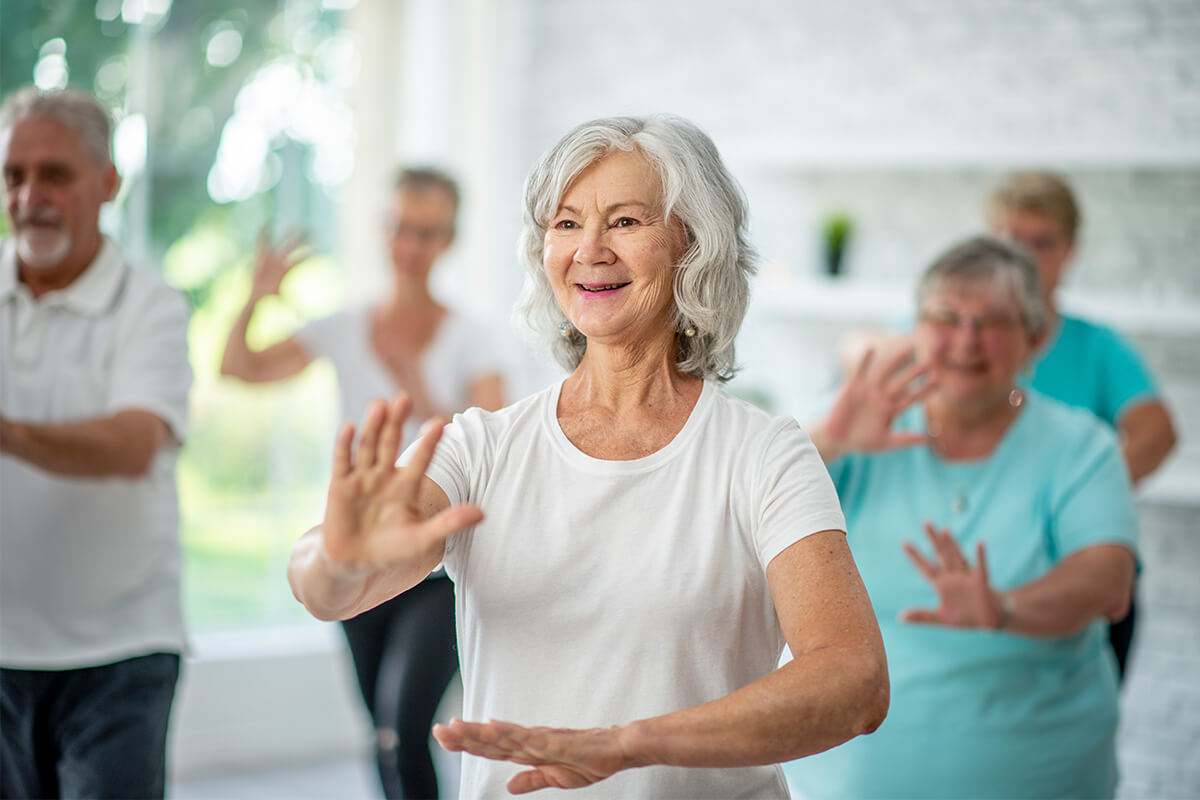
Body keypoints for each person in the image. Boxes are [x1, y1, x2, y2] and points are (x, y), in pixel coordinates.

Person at [287, 114, 890, 798]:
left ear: (694, 242)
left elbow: (854, 680)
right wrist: (338, 556)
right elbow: (324, 586)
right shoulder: (482, 447)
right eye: (566, 223)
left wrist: (628, 745)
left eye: (626, 221)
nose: (590, 249)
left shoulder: (764, 454)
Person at [784, 236, 1138, 798]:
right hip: (841, 778)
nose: (968, 340)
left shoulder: (1081, 447)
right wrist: (830, 439)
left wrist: (1003, 608)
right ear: (914, 327)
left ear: (1036, 338)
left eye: (994, 321)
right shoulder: (854, 420)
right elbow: (737, 513)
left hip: (1040, 774)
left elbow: (1108, 580)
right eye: (946, 317)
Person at [221, 167, 506, 799]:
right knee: (380, 732)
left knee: (406, 726)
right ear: (383, 231)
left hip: (438, 567)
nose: (411, 247)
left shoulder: (472, 339)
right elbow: (237, 367)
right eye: (402, 228)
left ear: (449, 239)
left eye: (427, 233)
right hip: (356, 551)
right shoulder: (342, 327)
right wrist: (256, 295)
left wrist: (418, 384)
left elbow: (497, 448)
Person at [0, 87, 192, 798]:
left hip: (121, 652)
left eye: (54, 174)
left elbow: (135, 442)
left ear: (107, 182)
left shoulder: (151, 304)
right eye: (13, 176)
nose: (28, 197)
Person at [986, 171, 1176, 679]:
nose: (1024, 258)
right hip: (987, 580)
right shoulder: (955, 340)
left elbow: (1157, 432)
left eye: (1042, 243)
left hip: (1082, 580)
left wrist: (1086, 492)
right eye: (1010, 241)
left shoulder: (1098, 347)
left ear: (1069, 251)